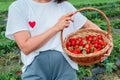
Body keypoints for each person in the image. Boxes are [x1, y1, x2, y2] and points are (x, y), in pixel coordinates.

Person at [5, 0, 113, 80]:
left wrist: (108, 42)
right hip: (36, 67)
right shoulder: (19, 7)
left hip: (66, 66)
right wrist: (56, 28)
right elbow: (26, 47)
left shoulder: (65, 6)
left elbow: (89, 25)